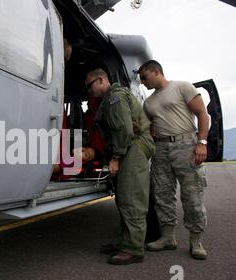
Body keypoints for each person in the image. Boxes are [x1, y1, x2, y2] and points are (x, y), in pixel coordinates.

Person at [138, 60, 209, 260]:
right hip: (160, 149)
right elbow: (149, 128)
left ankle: (196, 241)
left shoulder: (182, 86)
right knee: (162, 195)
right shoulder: (148, 103)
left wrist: (201, 142)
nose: (142, 82)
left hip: (186, 145)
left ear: (156, 71)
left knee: (192, 195)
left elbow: (202, 114)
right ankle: (168, 238)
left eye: (144, 77)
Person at [84, 68, 155, 265]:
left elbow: (124, 130)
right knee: (124, 197)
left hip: (133, 147)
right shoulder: (109, 99)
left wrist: (115, 158)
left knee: (131, 198)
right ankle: (126, 242)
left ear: (100, 80)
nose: (89, 91)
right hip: (129, 148)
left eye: (90, 86)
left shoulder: (115, 97)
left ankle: (134, 249)